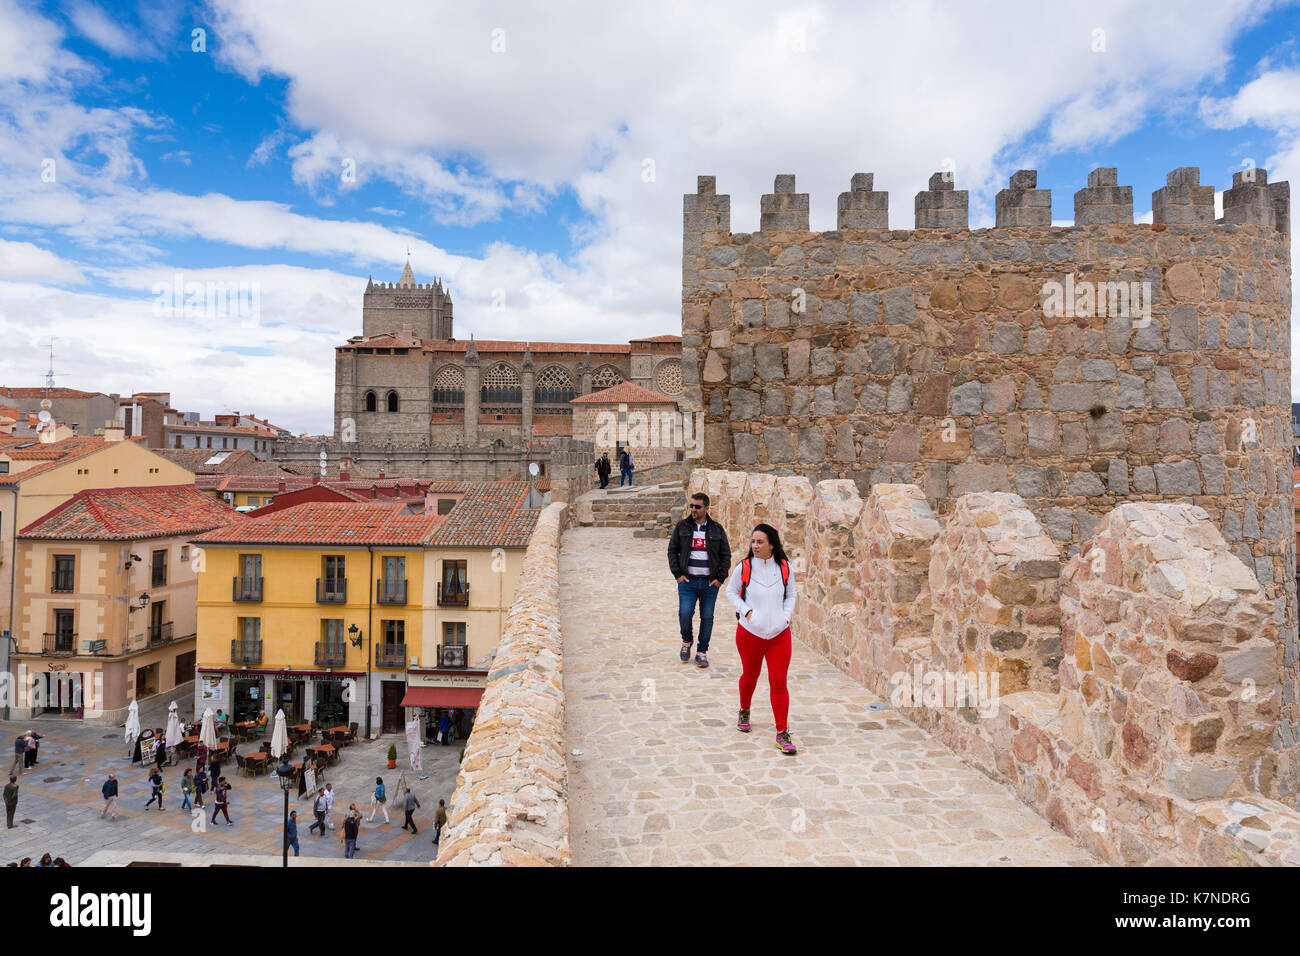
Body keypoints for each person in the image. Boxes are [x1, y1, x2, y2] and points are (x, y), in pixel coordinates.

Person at [725, 522, 800, 756]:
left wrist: (785, 617)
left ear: (771, 544)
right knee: (751, 675)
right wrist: (747, 612)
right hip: (750, 633)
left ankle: (782, 733)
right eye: (753, 541)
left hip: (779, 634)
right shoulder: (744, 567)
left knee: (779, 680)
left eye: (760, 542)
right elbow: (730, 591)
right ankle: (744, 710)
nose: (755, 546)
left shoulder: (785, 567)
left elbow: (791, 595)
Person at [667, 491, 732, 668]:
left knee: (707, 617)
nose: (693, 509)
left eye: (697, 506)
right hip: (688, 582)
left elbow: (725, 554)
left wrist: (720, 578)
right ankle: (687, 640)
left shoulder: (716, 529)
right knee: (685, 614)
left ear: (706, 508)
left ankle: (702, 652)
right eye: (691, 506)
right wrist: (678, 575)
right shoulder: (682, 527)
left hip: (710, 584)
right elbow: (672, 550)